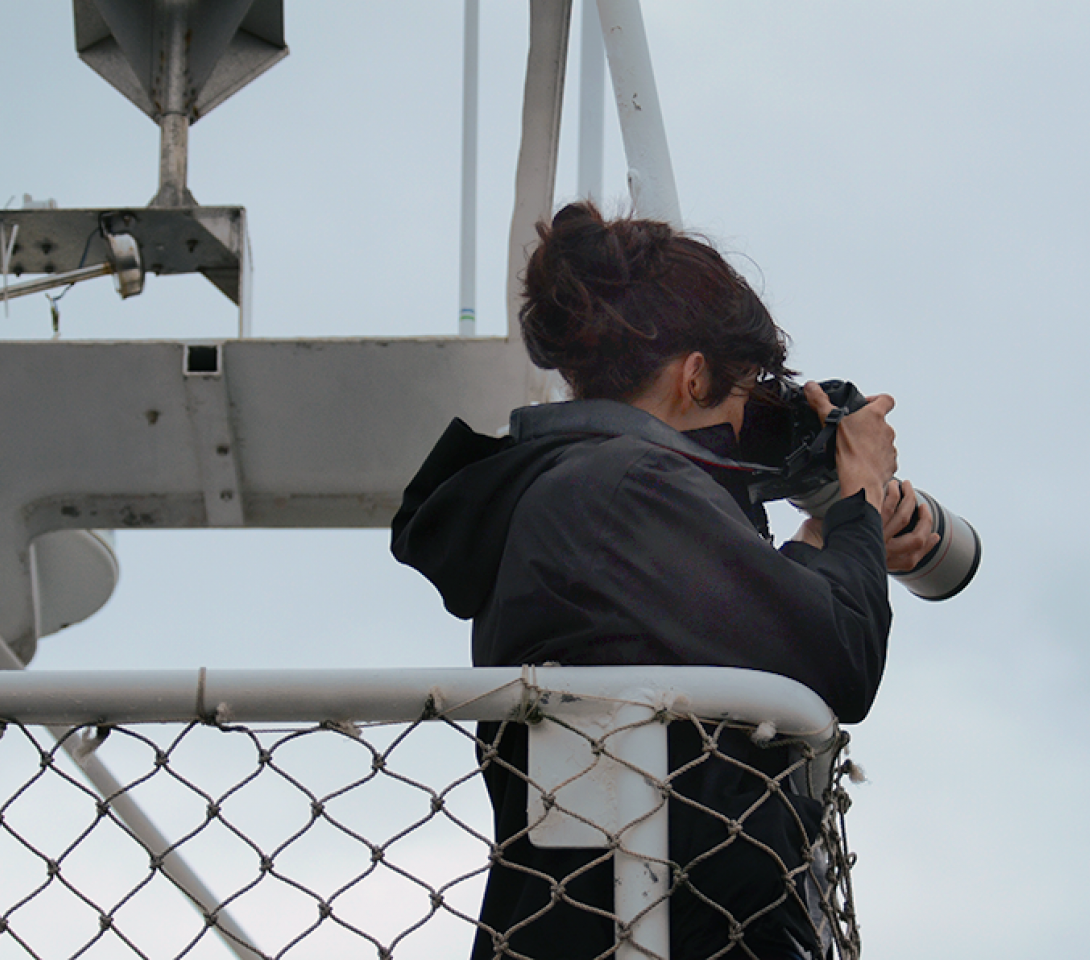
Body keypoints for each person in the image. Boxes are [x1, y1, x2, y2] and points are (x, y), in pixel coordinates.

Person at [390, 202, 938, 959]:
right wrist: (858, 496)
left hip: (614, 917)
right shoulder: (623, 487)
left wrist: (843, 535)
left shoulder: (577, 490)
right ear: (694, 375)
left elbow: (751, 629)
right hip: (655, 928)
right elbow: (839, 657)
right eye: (743, 395)